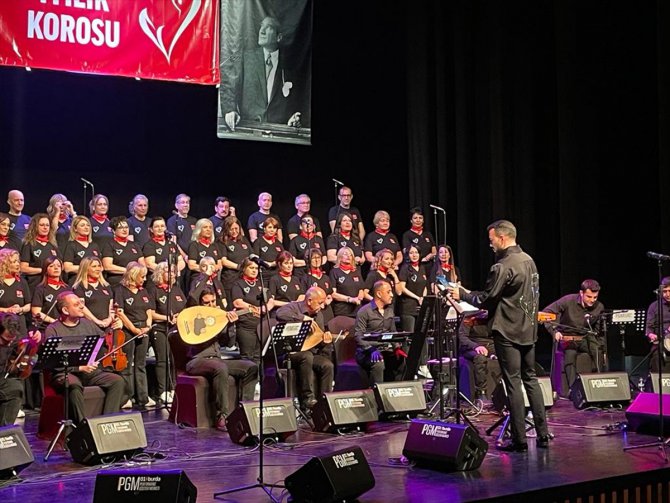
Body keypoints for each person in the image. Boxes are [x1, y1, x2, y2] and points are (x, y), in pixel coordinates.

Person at [448, 219, 550, 451]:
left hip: (508, 331)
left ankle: (519, 439)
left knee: (512, 382)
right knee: (530, 380)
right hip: (528, 329)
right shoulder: (529, 261)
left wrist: (461, 293)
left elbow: (485, 298)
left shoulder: (503, 266)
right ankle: (543, 433)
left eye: (492, 240)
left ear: (502, 238)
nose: (491, 245)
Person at [42, 291, 125, 425]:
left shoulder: (87, 323)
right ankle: (82, 426)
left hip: (88, 372)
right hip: (64, 373)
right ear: (65, 310)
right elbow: (52, 362)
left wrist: (116, 326)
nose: (82, 306)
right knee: (73, 385)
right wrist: (79, 367)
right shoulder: (53, 330)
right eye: (76, 304)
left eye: (81, 303)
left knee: (117, 381)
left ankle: (108, 422)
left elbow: (104, 338)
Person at [186, 288, 258, 431]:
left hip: (217, 359)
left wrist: (230, 325)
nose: (212, 305)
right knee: (220, 367)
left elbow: (228, 343)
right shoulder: (193, 317)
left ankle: (244, 411)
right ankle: (222, 416)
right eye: (207, 303)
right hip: (197, 360)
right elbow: (195, 339)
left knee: (251, 367)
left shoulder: (217, 320)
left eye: (213, 301)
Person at [221, 16, 304, 130]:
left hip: (278, 132)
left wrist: (292, 118)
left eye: (268, 27)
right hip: (248, 130)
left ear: (279, 37)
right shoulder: (246, 59)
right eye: (261, 26)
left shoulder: (289, 65)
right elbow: (229, 85)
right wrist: (230, 110)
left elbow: (295, 103)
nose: (262, 30)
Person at [276, 287, 335, 412]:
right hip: (290, 353)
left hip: (310, 353)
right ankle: (307, 398)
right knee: (306, 356)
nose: (322, 306)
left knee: (327, 365)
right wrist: (302, 318)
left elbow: (316, 341)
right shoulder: (293, 307)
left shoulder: (319, 315)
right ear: (309, 301)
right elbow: (280, 314)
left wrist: (324, 341)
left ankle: (325, 404)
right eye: (320, 303)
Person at [542, 279, 605, 390]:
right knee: (570, 354)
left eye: (595, 297)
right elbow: (546, 313)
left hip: (585, 337)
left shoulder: (599, 307)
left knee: (597, 349)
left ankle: (597, 385)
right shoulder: (568, 300)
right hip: (567, 337)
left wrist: (602, 347)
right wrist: (554, 331)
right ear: (581, 293)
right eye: (589, 297)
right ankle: (573, 389)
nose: (592, 300)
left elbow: (599, 331)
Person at [114, 262, 155, 410]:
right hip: (128, 330)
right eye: (142, 277)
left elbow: (149, 310)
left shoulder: (143, 291)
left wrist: (148, 326)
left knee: (141, 364)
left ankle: (143, 397)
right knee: (127, 365)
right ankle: (127, 397)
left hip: (144, 330)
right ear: (133, 276)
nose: (144, 279)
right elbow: (120, 312)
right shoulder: (120, 290)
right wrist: (133, 329)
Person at [148, 261, 187, 405]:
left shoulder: (176, 289)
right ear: (160, 273)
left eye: (172, 272)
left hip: (175, 330)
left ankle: (173, 389)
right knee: (163, 359)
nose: (171, 274)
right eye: (167, 271)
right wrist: (167, 318)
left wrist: (179, 316)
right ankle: (162, 391)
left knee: (174, 359)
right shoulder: (154, 290)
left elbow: (184, 307)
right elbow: (151, 313)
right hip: (160, 328)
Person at [354, 280, 404, 385]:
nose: (392, 295)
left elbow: (393, 332)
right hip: (367, 351)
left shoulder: (390, 310)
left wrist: (397, 347)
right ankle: (377, 395)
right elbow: (358, 336)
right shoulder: (364, 311)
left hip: (385, 348)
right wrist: (371, 350)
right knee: (378, 363)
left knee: (402, 361)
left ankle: (394, 392)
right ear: (379, 294)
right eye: (388, 292)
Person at [0, 313, 39, 425]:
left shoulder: (15, 341)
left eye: (12, 341)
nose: (9, 344)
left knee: (16, 388)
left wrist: (29, 361)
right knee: (14, 388)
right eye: (5, 341)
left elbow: (32, 355)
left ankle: (5, 431)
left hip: (3, 378)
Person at [231, 258, 272, 365]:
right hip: (246, 327)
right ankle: (249, 381)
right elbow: (237, 303)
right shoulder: (238, 284)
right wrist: (254, 307)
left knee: (259, 357)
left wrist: (265, 308)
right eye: (251, 268)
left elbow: (270, 300)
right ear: (244, 269)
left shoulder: (261, 283)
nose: (254, 270)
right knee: (247, 358)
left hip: (261, 326)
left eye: (256, 268)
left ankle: (258, 381)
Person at [458, 310, 496, 401]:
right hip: (472, 346)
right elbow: (462, 337)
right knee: (480, 358)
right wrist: (476, 346)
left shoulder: (496, 316)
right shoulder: (469, 316)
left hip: (491, 345)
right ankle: (481, 392)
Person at [72, 256, 115, 330]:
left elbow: (111, 307)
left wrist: (109, 320)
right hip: (88, 327)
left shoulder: (106, 286)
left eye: (99, 266)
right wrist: (97, 321)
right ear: (86, 269)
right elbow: (82, 307)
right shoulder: (79, 287)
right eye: (94, 266)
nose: (98, 269)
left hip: (106, 326)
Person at [20, 213, 60, 292]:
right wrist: (43, 270)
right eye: (42, 225)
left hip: (52, 285)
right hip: (35, 285)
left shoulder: (52, 245)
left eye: (47, 225)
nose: (45, 227)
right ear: (35, 227)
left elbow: (61, 265)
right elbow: (23, 268)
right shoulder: (29, 244)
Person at [219, 216, 252, 306]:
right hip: (230, 279)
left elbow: (251, 255)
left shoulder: (243, 239)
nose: (234, 231)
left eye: (236, 228)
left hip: (244, 278)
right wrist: (240, 267)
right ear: (226, 229)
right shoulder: (222, 241)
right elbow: (224, 261)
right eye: (231, 229)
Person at [102, 216, 145, 286]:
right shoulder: (109, 245)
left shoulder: (135, 245)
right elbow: (107, 266)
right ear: (113, 231)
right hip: (117, 282)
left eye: (126, 227)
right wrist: (129, 271)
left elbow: (143, 265)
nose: (124, 230)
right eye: (120, 228)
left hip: (134, 281)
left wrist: (138, 273)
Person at [396, 245, 429, 333]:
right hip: (408, 308)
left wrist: (423, 298)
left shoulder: (422, 268)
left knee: (421, 336)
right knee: (409, 336)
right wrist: (417, 298)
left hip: (421, 307)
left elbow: (424, 286)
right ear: (407, 255)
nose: (414, 255)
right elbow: (402, 288)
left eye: (416, 252)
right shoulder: (405, 268)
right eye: (411, 253)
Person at [30, 257, 68, 329]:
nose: (56, 268)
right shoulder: (40, 289)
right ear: (46, 270)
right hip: (47, 328)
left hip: (65, 328)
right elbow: (36, 312)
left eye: (58, 266)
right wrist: (54, 321)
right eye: (51, 266)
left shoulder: (67, 288)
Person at [62, 216, 101, 284]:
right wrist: (88, 268)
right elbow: (67, 268)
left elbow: (100, 267)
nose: (86, 227)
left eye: (88, 225)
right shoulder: (71, 245)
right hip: (77, 281)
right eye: (82, 225)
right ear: (75, 229)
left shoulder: (94, 246)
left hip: (95, 282)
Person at [329, 247, 365, 319]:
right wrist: (350, 299)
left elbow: (361, 289)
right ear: (339, 257)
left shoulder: (356, 272)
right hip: (342, 311)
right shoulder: (334, 272)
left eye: (350, 255)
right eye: (345, 254)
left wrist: (360, 296)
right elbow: (333, 294)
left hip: (357, 311)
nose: (348, 256)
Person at [301, 248, 334, 325]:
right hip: (314, 313)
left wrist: (329, 299)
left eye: (319, 258)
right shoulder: (305, 278)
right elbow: (304, 298)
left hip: (328, 312)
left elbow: (330, 294)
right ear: (308, 260)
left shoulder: (326, 277)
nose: (317, 260)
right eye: (314, 258)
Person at [645, 276, 670, 372]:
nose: (667, 294)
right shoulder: (654, 306)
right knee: (656, 355)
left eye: (669, 291)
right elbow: (649, 329)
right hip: (661, 341)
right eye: (665, 291)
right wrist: (651, 335)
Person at [166, 194, 197, 268]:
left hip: (193, 258)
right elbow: (173, 242)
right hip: (181, 258)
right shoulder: (172, 221)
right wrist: (184, 256)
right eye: (183, 202)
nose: (185, 205)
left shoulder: (194, 220)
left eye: (187, 202)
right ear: (176, 205)